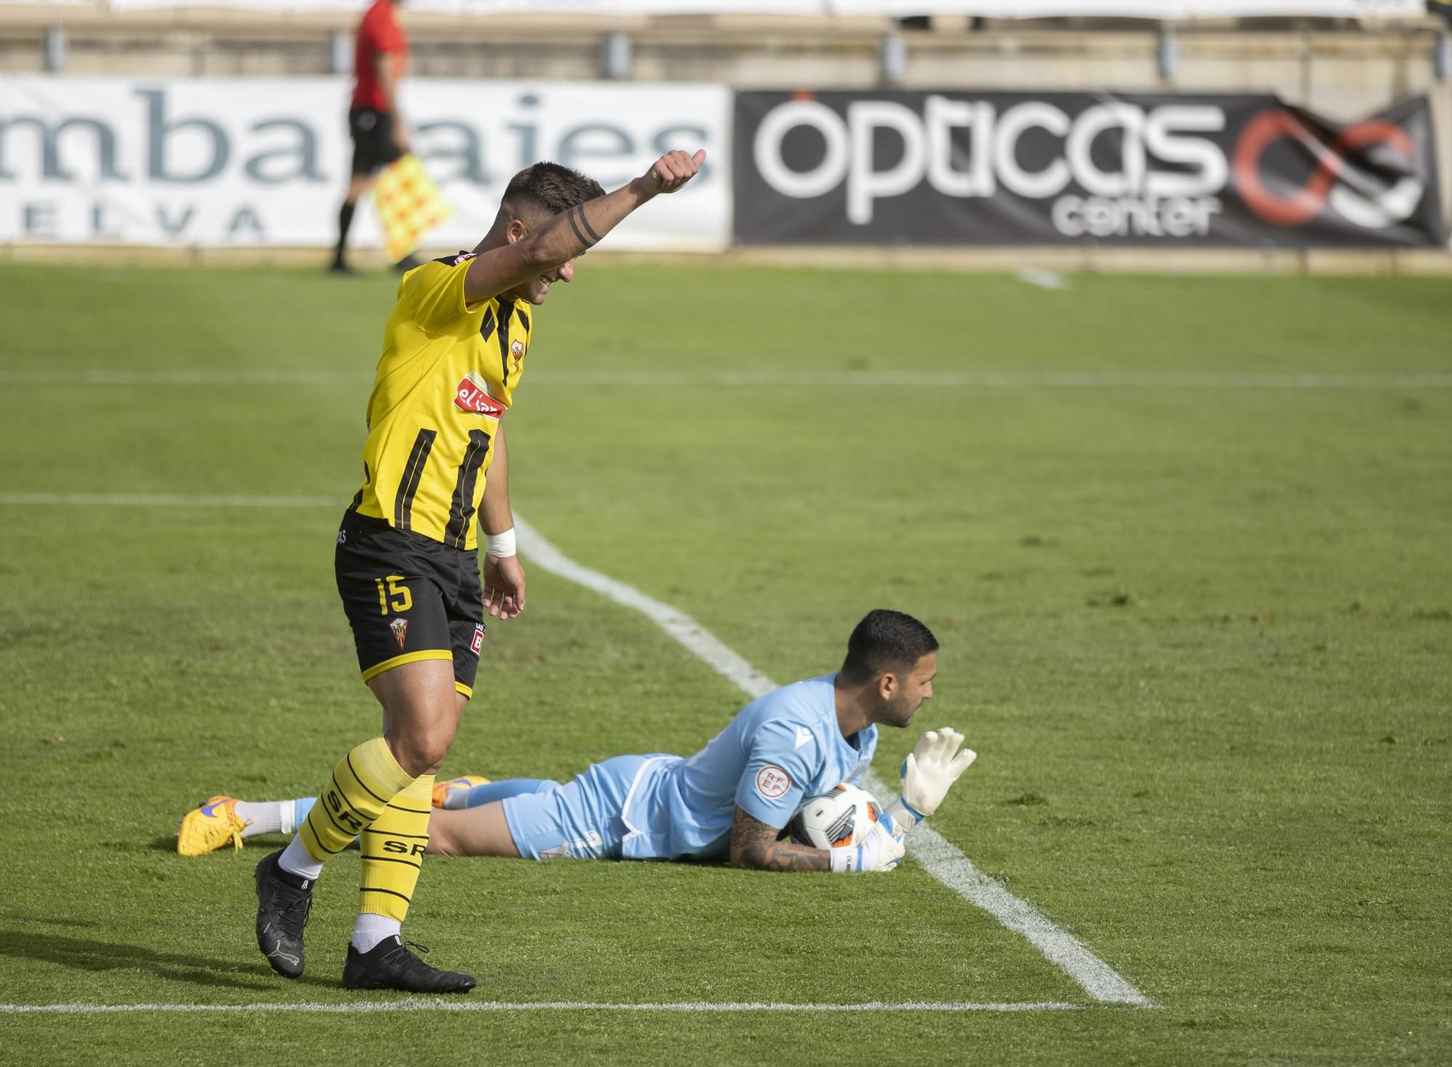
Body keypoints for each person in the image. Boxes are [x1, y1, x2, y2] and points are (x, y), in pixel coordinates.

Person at [253, 148, 707, 996]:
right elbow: (539, 256)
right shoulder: (435, 288)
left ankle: (374, 942)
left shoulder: (516, 326)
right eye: (566, 254)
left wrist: (501, 546)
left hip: (455, 558)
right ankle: (290, 870)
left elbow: (486, 430)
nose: (568, 274)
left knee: (416, 757)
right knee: (421, 735)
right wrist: (642, 189)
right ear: (518, 231)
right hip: (391, 538)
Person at [182, 611, 976, 877]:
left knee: (448, 802)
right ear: (885, 681)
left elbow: (837, 816)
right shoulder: (794, 733)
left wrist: (903, 810)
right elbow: (751, 851)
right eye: (925, 681)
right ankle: (243, 814)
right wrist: (844, 863)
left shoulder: (856, 725)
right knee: (438, 839)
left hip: (644, 786)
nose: (931, 693)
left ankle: (471, 788)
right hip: (614, 819)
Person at [330, 0, 410, 273]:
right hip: (374, 112)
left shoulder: (379, 14)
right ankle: (341, 257)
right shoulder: (381, 17)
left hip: (371, 111)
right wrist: (397, 119)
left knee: (389, 178)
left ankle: (399, 252)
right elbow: (384, 66)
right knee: (367, 181)